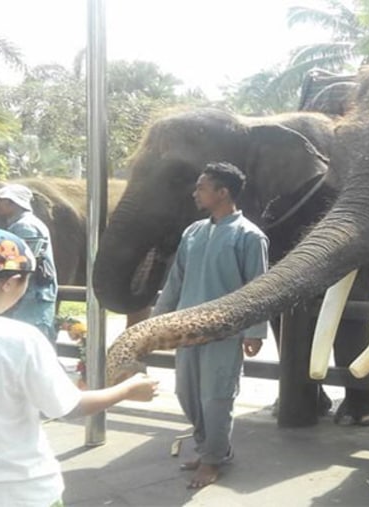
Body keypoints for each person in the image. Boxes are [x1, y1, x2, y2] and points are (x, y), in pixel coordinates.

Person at [0, 227, 159, 506]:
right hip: (18, 492)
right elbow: (69, 407)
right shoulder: (18, 339)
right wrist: (127, 390)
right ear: (9, 282)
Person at [151, 162, 269, 489]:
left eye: (202, 187)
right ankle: (209, 449)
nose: (195, 193)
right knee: (186, 393)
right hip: (188, 331)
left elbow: (259, 288)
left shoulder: (249, 236)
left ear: (223, 192)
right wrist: (157, 322)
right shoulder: (193, 232)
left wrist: (255, 332)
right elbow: (175, 282)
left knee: (216, 396)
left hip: (224, 333)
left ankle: (213, 459)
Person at [0, 183, 60, 344]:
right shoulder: (24, 223)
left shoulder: (24, 226)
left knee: (29, 344)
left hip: (30, 297)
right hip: (29, 297)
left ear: (12, 203)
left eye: (1, 200)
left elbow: (21, 264)